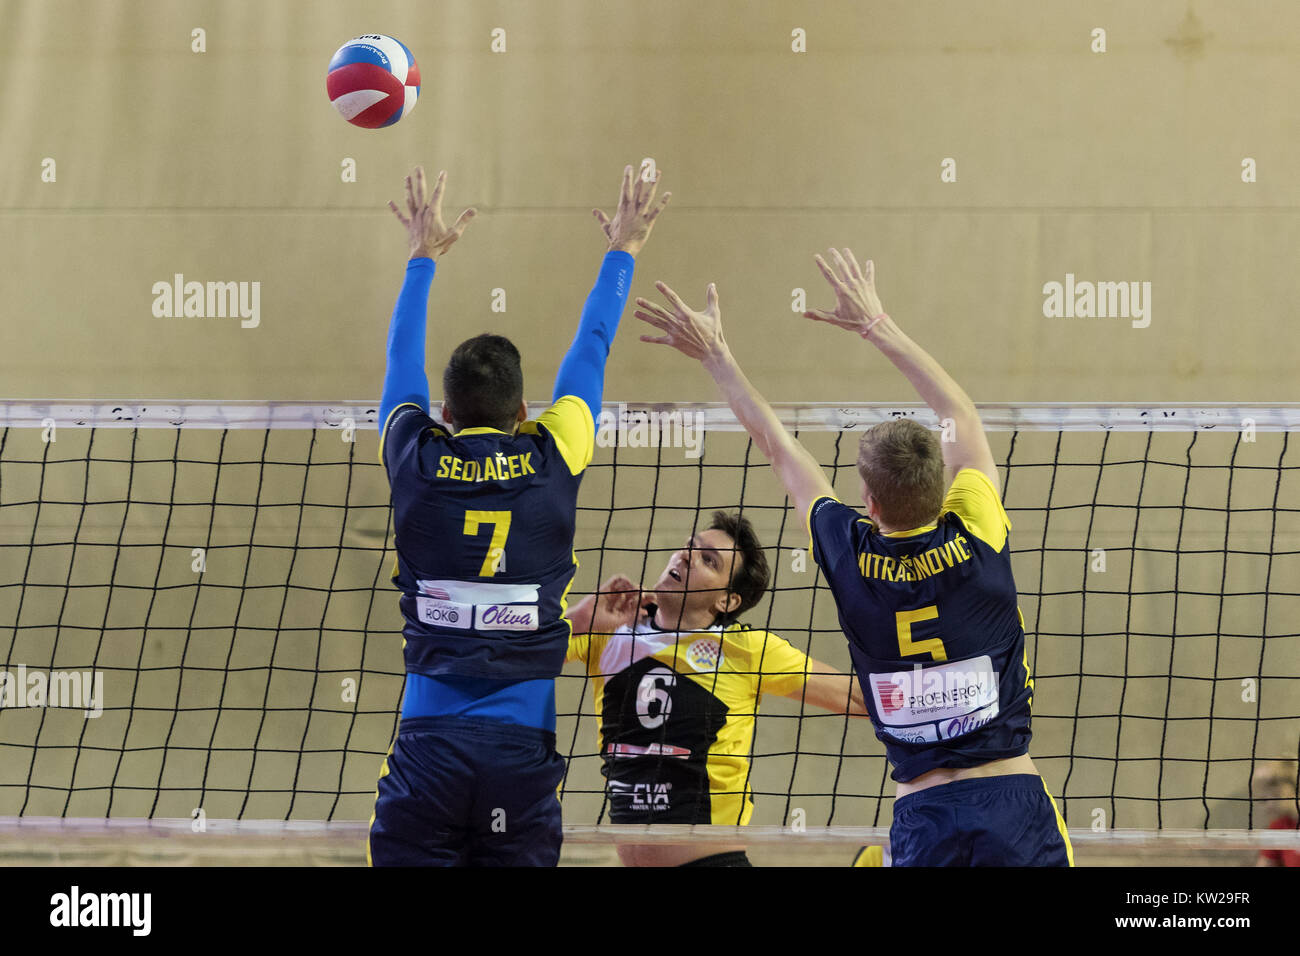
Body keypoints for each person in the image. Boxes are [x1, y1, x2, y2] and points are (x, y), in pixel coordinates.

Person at [633, 249, 1073, 866]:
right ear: (942, 489)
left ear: (867, 500)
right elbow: (959, 415)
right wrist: (876, 324)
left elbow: (778, 449)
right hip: (1013, 804)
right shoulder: (977, 529)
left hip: (923, 815)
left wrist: (717, 357)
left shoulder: (846, 549)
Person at [368, 164, 670, 866]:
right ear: (524, 413)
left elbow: (397, 360)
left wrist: (421, 258)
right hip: (519, 752)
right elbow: (590, 350)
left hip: (428, 748)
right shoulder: (554, 454)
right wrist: (622, 248)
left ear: (444, 414)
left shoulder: (413, 455)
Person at [565, 510, 867, 867]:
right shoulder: (609, 630)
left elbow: (857, 697)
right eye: (690, 546)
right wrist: (577, 619)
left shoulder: (748, 649)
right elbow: (507, 658)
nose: (686, 556)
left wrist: (941, 692)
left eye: (709, 560)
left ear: (727, 601)